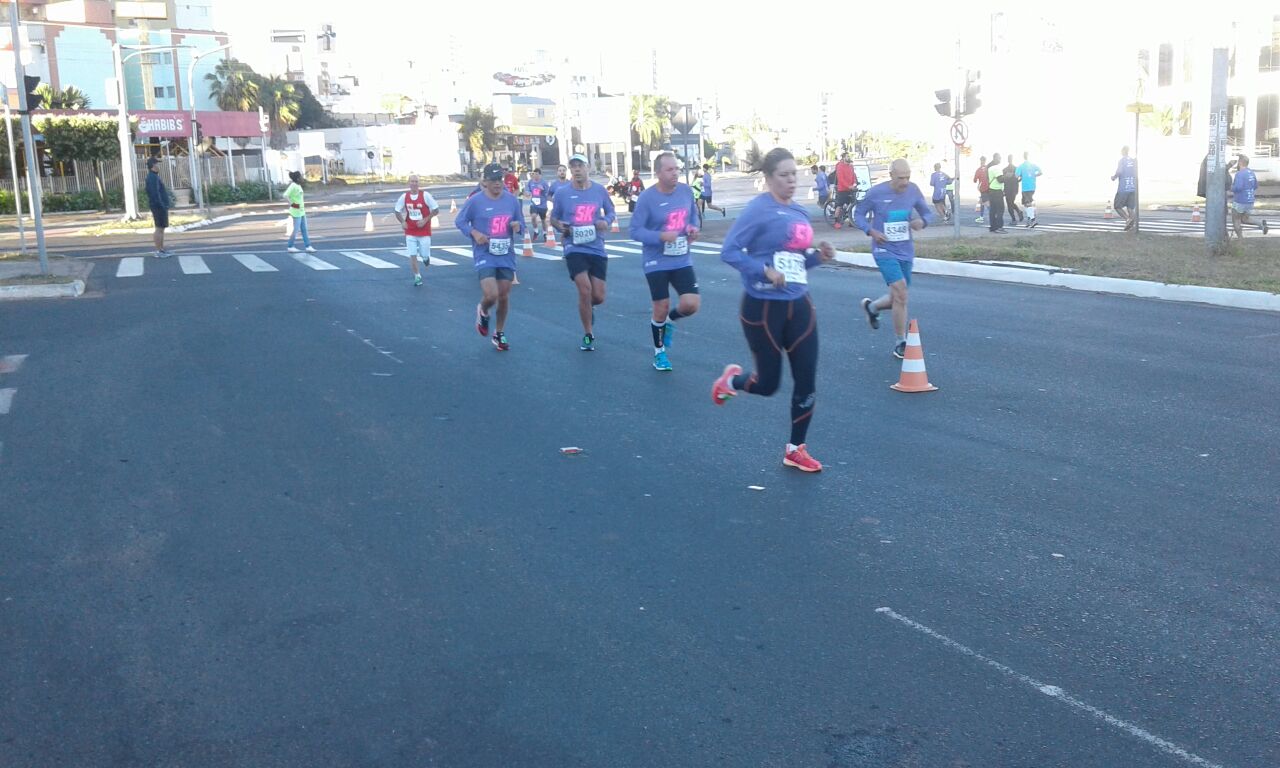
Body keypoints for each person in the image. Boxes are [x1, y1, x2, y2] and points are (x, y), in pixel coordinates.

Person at [710, 147, 836, 473]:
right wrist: (763, 271)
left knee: (806, 379)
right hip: (763, 307)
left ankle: (795, 449)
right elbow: (729, 251)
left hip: (800, 304)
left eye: (794, 174)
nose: (792, 180)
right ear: (768, 178)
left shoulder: (800, 212)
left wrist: (818, 257)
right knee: (768, 384)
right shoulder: (757, 210)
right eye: (784, 175)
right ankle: (732, 382)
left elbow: (797, 261)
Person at [630, 152, 701, 372]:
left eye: (677, 168)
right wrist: (660, 236)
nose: (675, 173)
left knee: (691, 304)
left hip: (681, 257)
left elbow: (693, 215)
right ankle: (659, 352)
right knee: (661, 306)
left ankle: (669, 320)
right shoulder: (647, 198)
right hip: (656, 260)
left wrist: (693, 227)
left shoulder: (686, 191)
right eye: (670, 169)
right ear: (658, 173)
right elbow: (635, 230)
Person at [855, 159, 933, 360]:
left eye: (908, 177)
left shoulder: (913, 190)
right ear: (891, 175)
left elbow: (927, 213)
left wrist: (922, 221)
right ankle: (901, 342)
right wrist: (871, 231)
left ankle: (872, 307)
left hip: (905, 250)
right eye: (901, 178)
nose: (905, 182)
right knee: (900, 291)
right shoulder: (876, 193)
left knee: (899, 297)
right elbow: (859, 215)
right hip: (884, 250)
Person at [549, 153, 616, 351]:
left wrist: (606, 221)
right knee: (585, 289)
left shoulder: (599, 190)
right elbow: (554, 218)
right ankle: (588, 334)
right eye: (573, 166)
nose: (576, 169)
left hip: (596, 246)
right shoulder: (562, 193)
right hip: (574, 246)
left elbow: (611, 211)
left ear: (588, 168)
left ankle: (588, 306)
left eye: (580, 165)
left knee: (598, 296)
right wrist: (560, 227)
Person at [456, 163, 526, 351]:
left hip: (505, 253)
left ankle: (499, 332)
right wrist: (474, 233)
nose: (497, 183)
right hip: (485, 252)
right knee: (491, 294)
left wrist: (518, 226)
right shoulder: (475, 201)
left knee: (503, 296)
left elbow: (521, 223)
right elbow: (460, 221)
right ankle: (483, 310)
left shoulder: (511, 200)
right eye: (493, 180)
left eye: (500, 179)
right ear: (485, 182)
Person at [394, 174, 440, 287]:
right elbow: (397, 210)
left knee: (424, 254)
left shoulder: (425, 195)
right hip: (410, 231)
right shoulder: (404, 197)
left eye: (416, 181)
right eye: (412, 181)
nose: (414, 183)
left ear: (419, 183)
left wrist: (425, 220)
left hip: (424, 231)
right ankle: (417, 276)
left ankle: (425, 257)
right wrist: (402, 222)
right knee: (412, 254)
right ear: (409, 183)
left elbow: (436, 209)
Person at [1230, 155, 1268, 237]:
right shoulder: (1251, 172)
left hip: (1240, 201)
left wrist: (1230, 187)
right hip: (1250, 201)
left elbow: (1238, 187)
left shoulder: (1239, 174)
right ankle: (1261, 224)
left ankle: (1240, 239)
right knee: (1245, 219)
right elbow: (1255, 186)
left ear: (1240, 162)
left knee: (1236, 220)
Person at [145, 157, 172, 258]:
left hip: (159, 206)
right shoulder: (152, 177)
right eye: (157, 164)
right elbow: (154, 193)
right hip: (158, 206)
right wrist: (161, 205)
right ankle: (159, 250)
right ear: (153, 165)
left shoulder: (154, 176)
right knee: (159, 228)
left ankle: (161, 249)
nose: (159, 165)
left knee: (161, 228)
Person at [285, 171, 316, 253]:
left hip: (301, 211)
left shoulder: (298, 186)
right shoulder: (293, 185)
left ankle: (308, 246)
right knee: (296, 229)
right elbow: (285, 195)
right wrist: (292, 204)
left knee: (304, 229)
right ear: (297, 178)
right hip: (296, 211)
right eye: (301, 177)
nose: (302, 178)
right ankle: (290, 246)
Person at [1112, 146, 1138, 230]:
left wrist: (1114, 177)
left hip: (1123, 188)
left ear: (1123, 151)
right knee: (1130, 208)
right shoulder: (1133, 161)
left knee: (1117, 206)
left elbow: (1119, 171)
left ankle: (1128, 220)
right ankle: (1132, 227)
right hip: (1133, 187)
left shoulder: (1122, 160)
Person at [1016, 151, 1042, 227]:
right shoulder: (1033, 165)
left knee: (1028, 203)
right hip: (1032, 186)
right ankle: (1029, 219)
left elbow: (1016, 176)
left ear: (1023, 156)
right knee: (1026, 204)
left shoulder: (1021, 166)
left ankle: (1033, 220)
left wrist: (1022, 176)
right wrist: (1034, 175)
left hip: (1025, 187)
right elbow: (1040, 172)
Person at [832, 152, 856, 228]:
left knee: (852, 204)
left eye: (849, 156)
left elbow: (853, 176)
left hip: (850, 188)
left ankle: (850, 221)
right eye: (847, 156)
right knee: (839, 205)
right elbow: (841, 179)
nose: (849, 157)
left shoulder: (851, 166)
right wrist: (848, 186)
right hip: (842, 189)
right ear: (843, 158)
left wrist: (855, 183)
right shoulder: (840, 166)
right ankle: (836, 222)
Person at [526, 169, 549, 241]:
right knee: (533, 216)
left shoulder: (544, 183)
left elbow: (548, 194)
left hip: (542, 204)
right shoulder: (530, 182)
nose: (535, 176)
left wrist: (543, 190)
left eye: (536, 174)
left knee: (543, 220)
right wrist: (528, 193)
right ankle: (536, 231)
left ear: (540, 175)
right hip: (534, 204)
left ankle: (545, 233)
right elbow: (527, 190)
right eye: (534, 174)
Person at [986, 153, 1007, 233]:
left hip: (991, 190)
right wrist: (1007, 177)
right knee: (1000, 209)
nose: (1000, 159)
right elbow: (1000, 180)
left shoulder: (989, 167)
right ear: (995, 158)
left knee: (993, 210)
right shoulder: (996, 168)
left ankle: (993, 227)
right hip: (997, 190)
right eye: (999, 158)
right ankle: (999, 227)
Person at [1002, 155, 1022, 226]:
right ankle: (1018, 212)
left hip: (1008, 189)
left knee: (1009, 204)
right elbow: (1021, 177)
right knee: (1011, 203)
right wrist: (1017, 181)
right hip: (1014, 188)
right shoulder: (1017, 169)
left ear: (1008, 160)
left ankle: (1014, 219)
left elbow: (1002, 180)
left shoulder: (1004, 170)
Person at [972, 155, 989, 223]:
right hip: (989, 187)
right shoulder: (988, 168)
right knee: (982, 202)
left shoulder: (979, 170)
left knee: (986, 203)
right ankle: (981, 217)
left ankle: (993, 216)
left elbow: (974, 180)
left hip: (983, 188)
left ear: (980, 161)